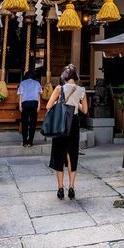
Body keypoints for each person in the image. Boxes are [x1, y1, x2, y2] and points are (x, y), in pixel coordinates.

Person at [46, 64, 88, 199]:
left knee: (59, 154)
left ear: (64, 76)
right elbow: (85, 110)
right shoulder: (81, 90)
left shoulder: (59, 88)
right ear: (74, 76)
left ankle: (60, 188)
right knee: (72, 155)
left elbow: (48, 106)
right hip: (74, 124)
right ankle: (71, 187)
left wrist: (58, 102)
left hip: (61, 124)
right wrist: (76, 103)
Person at [17, 70, 42, 147]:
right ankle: (30, 141)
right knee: (32, 123)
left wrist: (20, 105)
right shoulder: (37, 83)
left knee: (24, 123)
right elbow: (38, 96)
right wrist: (39, 106)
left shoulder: (22, 83)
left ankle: (24, 141)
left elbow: (20, 95)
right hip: (34, 103)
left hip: (25, 103)